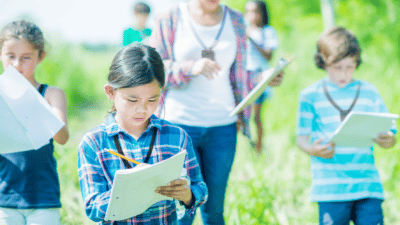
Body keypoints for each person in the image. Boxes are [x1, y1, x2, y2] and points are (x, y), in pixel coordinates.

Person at [149, 0, 282, 224]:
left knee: (214, 209)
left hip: (223, 127)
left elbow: (238, 75)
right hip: (179, 126)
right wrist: (190, 68)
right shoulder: (169, 18)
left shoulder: (237, 20)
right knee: (181, 210)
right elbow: (154, 68)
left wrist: (262, 78)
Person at [77, 44, 208, 225]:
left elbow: (200, 188)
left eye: (152, 100)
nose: (142, 109)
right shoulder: (94, 143)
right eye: (132, 100)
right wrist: (128, 191)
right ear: (110, 92)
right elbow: (93, 207)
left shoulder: (177, 137)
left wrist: (187, 195)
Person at [296, 27, 397, 225]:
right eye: (337, 67)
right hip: (331, 190)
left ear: (357, 62)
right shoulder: (310, 96)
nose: (344, 73)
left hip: (367, 186)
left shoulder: (369, 92)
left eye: (350, 66)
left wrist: (388, 139)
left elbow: (390, 137)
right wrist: (314, 150)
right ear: (323, 62)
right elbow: (301, 140)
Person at [0, 20, 69, 225]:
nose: (16, 64)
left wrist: (32, 103)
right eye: (10, 56)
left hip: (43, 196)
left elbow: (63, 137)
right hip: (5, 195)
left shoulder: (51, 94)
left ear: (41, 57)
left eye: (26, 58)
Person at [245, 0, 279, 153]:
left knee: (256, 116)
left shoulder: (267, 31)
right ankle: (252, 143)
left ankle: (258, 147)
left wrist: (251, 40)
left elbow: (268, 56)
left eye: (255, 12)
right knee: (241, 116)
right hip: (244, 76)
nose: (252, 16)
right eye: (249, 12)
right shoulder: (244, 30)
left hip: (260, 76)